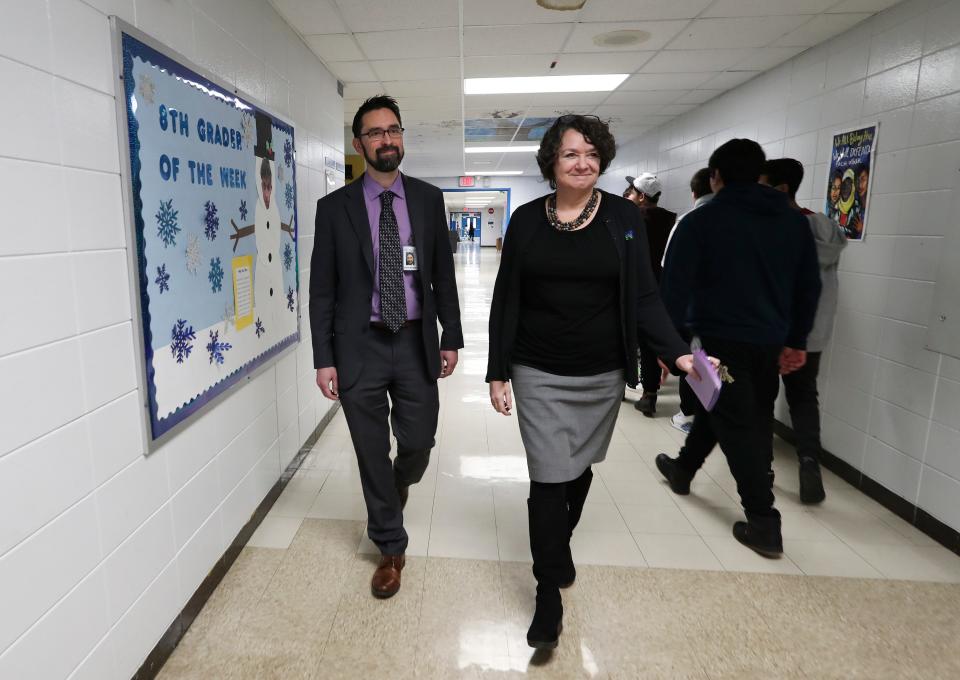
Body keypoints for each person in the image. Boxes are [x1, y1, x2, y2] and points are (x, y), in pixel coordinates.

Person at [487, 114, 697, 650]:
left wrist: (676, 351)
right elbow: (506, 296)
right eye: (570, 154)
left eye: (591, 154)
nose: (582, 163)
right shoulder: (529, 220)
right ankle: (547, 592)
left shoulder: (624, 218)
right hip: (537, 368)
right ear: (551, 164)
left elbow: (645, 296)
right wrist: (497, 369)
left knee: (578, 470)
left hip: (602, 371)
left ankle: (559, 546)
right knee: (547, 476)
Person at [309, 95, 463, 599]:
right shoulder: (333, 210)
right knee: (369, 449)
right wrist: (324, 358)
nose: (386, 139)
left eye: (392, 129)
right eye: (374, 133)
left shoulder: (426, 198)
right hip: (360, 347)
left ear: (402, 136)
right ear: (360, 144)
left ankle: (401, 482)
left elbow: (441, 274)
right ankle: (390, 545)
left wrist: (452, 335)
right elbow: (322, 290)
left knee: (418, 441)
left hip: (415, 341)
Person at [657, 138, 821, 558]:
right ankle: (683, 469)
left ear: (716, 176)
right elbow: (808, 286)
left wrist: (667, 344)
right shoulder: (792, 222)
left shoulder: (702, 220)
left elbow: (673, 289)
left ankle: (764, 521)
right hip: (768, 342)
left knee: (741, 426)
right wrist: (797, 341)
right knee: (731, 409)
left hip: (716, 342)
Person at [760, 158, 847, 504]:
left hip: (770, 331)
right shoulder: (826, 229)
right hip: (811, 334)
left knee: (760, 399)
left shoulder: (775, 228)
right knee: (803, 398)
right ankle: (809, 463)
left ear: (781, 190)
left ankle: (763, 468)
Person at [662, 167, 714, 434]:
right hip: (738, 321)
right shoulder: (750, 220)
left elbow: (670, 272)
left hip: (695, 313)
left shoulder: (688, 222)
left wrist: (667, 332)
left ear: (694, 192)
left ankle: (689, 415)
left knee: (692, 363)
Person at [623, 173, 676, 417]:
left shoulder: (633, 221)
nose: (628, 195)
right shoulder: (672, 220)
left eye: (632, 192)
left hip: (636, 289)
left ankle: (631, 386)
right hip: (664, 290)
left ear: (642, 197)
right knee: (650, 344)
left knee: (629, 339)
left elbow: (625, 251)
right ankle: (649, 394)